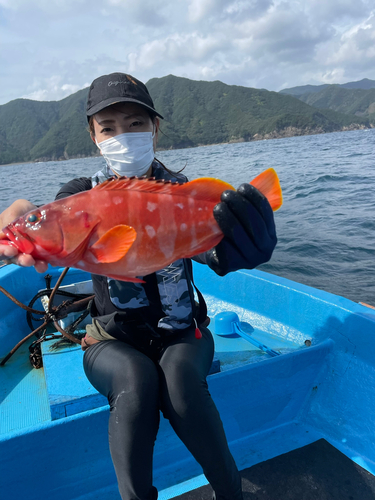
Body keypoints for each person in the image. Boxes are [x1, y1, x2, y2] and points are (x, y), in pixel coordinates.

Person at [0, 73, 277, 500]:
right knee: (134, 383)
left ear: (155, 128)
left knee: (181, 383)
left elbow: (208, 249)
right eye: (108, 128)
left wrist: (238, 248)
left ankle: (231, 494)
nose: (122, 136)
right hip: (112, 339)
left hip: (185, 332)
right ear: (93, 137)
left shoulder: (180, 193)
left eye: (135, 123)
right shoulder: (79, 196)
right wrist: (17, 217)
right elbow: (37, 211)